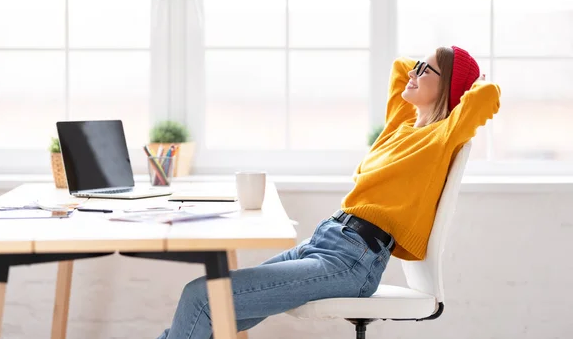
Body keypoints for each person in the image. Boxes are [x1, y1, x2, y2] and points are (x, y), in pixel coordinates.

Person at [156, 46, 501, 339]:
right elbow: (399, 69)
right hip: (324, 241)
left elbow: (486, 97)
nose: (414, 71)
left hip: (351, 260)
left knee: (201, 297)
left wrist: (469, 81)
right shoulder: (402, 126)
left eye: (427, 70)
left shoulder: (440, 138)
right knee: (220, 313)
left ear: (448, 89)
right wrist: (428, 68)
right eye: (419, 65)